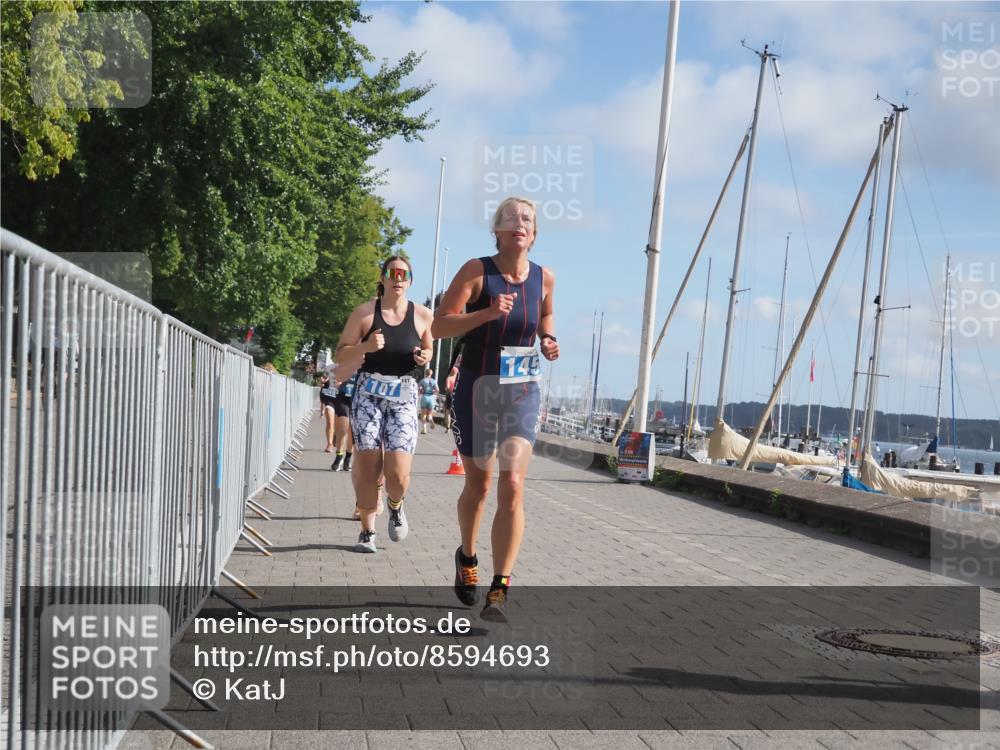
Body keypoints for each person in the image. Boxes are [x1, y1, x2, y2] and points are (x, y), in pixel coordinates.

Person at [431, 196, 559, 622]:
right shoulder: (476, 271)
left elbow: (545, 321)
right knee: (480, 487)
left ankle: (500, 586)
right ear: (498, 230)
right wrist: (485, 313)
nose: (519, 223)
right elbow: (439, 324)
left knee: (515, 485)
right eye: (511, 218)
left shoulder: (545, 279)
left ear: (534, 233)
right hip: (477, 388)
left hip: (522, 389)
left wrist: (548, 341)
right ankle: (467, 555)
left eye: (527, 219)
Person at [334, 256, 433, 553]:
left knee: (398, 474)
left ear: (411, 280)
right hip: (368, 393)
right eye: (393, 273)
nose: (398, 278)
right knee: (368, 466)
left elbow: (429, 347)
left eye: (404, 274)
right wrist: (364, 347)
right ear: (383, 277)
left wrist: (425, 356)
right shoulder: (365, 313)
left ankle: (395, 504)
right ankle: (367, 531)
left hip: (403, 394)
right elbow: (341, 354)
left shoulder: (423, 315)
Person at [330, 371, 357, 471]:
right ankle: (339, 456)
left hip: (357, 398)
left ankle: (348, 458)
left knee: (352, 431)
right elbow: (335, 378)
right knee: (343, 428)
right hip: (343, 397)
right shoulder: (347, 360)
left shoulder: (367, 362)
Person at [318, 370, 339, 452]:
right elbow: (322, 400)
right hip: (329, 401)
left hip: (340, 400)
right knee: (330, 422)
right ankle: (329, 444)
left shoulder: (346, 368)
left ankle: (335, 434)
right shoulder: (329, 370)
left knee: (337, 424)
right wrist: (322, 412)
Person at [418, 369, 439, 434]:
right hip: (431, 398)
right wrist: (433, 392)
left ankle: (424, 429)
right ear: (431, 374)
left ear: (425, 373)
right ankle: (430, 419)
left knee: (423, 414)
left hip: (424, 397)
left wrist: (421, 391)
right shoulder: (434, 381)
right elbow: (437, 390)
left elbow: (418, 389)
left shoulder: (422, 381)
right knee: (429, 413)